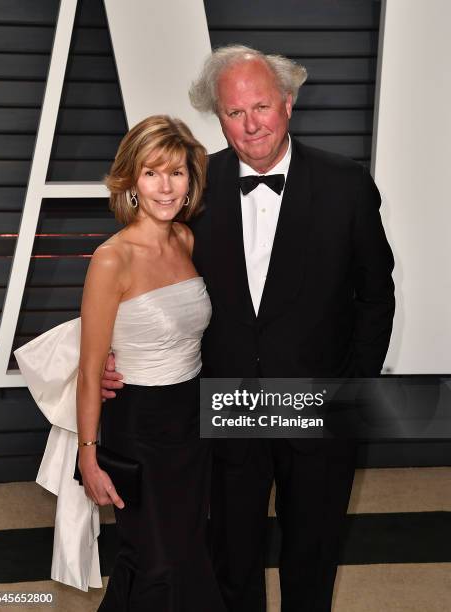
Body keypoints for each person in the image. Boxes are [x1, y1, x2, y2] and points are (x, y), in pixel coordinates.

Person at [103, 46, 395, 612]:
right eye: (234, 113)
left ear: (287, 104)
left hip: (317, 403)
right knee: (230, 558)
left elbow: (375, 296)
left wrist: (350, 387)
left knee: (312, 554)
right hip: (223, 404)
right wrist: (120, 350)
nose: (250, 124)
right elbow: (144, 268)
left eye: (261, 107)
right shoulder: (193, 188)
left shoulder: (346, 185)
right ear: (219, 117)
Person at [78, 115, 225, 611]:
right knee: (156, 560)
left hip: (192, 419)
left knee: (184, 553)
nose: (166, 186)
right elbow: (91, 367)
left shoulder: (184, 240)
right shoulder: (111, 260)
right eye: (152, 172)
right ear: (132, 181)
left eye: (177, 172)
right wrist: (88, 454)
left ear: (191, 181)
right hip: (138, 428)